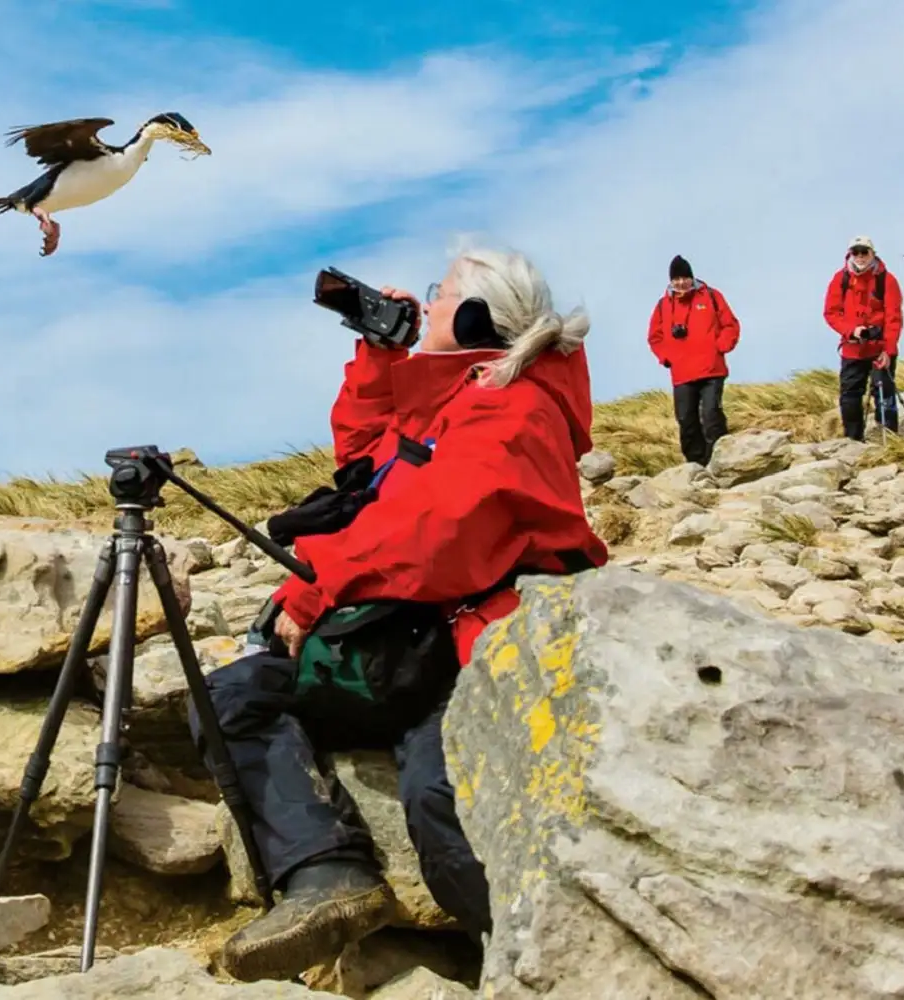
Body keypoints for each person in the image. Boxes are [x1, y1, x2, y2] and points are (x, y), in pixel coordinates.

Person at [190, 247, 610, 984]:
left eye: (439, 295)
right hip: (407, 640)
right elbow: (366, 467)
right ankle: (325, 876)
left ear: (479, 316)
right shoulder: (460, 399)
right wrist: (380, 358)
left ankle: (537, 962)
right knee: (231, 699)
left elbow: (439, 533)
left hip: (472, 645)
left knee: (440, 793)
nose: (427, 305)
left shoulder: (516, 409)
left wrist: (316, 586)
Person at [646, 254, 742, 465]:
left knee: (711, 416)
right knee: (686, 422)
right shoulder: (663, 305)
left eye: (684, 278)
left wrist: (721, 346)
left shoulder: (711, 296)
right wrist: (666, 357)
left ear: (692, 277)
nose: (681, 283)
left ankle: (720, 461)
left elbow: (730, 324)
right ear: (670, 281)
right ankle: (697, 466)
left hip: (712, 369)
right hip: (681, 373)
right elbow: (655, 337)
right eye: (676, 279)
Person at [823, 235, 904, 440]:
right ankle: (853, 441)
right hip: (852, 347)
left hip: (880, 347)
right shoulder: (840, 279)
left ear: (872, 253)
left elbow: (894, 318)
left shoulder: (887, 280)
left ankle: (889, 440)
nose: (860, 256)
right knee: (849, 397)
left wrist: (889, 350)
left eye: (864, 252)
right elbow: (831, 313)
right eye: (855, 252)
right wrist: (852, 330)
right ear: (850, 254)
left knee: (884, 395)